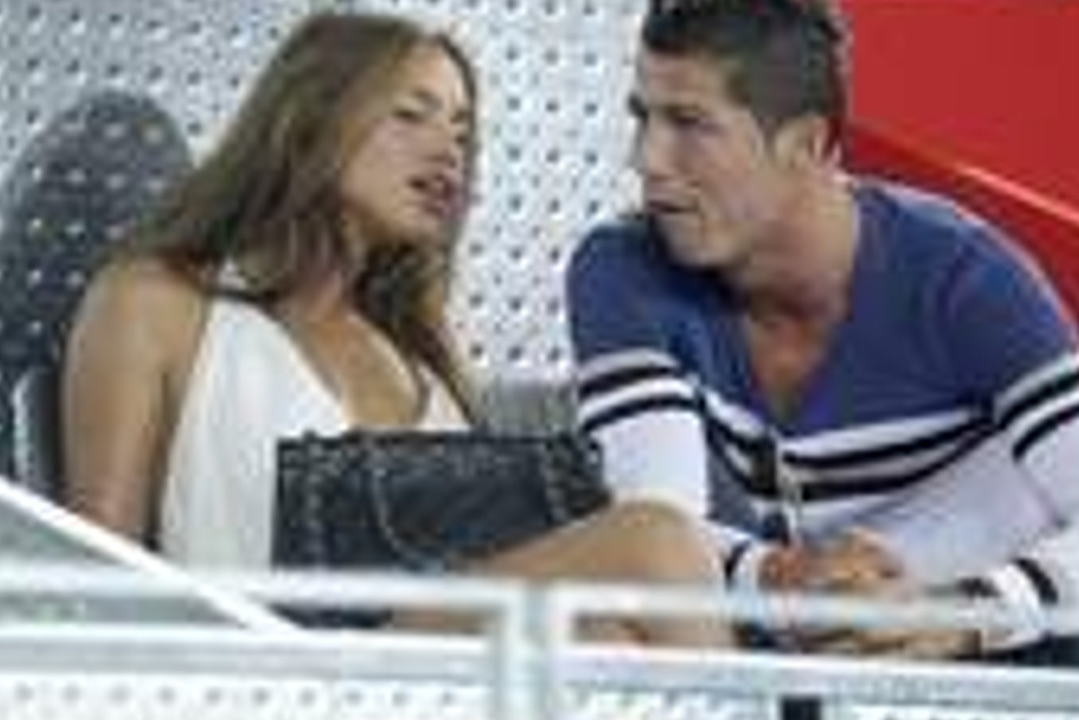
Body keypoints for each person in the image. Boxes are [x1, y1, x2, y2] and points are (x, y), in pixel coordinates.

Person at [62, 11, 730, 648]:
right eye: (411, 115)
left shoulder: (423, 364)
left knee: (612, 635)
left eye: (462, 133)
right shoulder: (156, 303)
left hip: (426, 679)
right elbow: (96, 585)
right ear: (309, 123)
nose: (448, 153)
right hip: (269, 675)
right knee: (660, 541)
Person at [567, 0, 1079, 658]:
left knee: (1078, 603)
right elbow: (656, 537)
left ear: (806, 144)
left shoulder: (961, 274)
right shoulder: (623, 268)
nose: (646, 159)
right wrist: (779, 576)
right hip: (796, 643)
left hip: (996, 648)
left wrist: (957, 616)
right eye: (642, 118)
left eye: (689, 124)